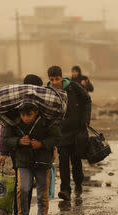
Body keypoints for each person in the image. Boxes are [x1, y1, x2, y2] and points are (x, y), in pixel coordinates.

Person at [3, 103, 61, 215]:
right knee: (22, 189)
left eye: (28, 115)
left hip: (42, 162)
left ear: (35, 112)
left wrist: (41, 144)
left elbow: (56, 138)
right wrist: (18, 141)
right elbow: (6, 139)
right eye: (22, 115)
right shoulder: (13, 122)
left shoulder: (47, 122)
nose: (25, 118)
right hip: (23, 161)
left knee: (42, 194)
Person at [0, 74, 43, 215]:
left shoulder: (38, 105)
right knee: (23, 184)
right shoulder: (16, 105)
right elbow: (6, 129)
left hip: (34, 151)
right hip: (17, 151)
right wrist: (4, 152)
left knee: (25, 184)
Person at [47, 66, 92, 201]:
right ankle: (65, 190)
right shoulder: (48, 91)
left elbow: (87, 100)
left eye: (57, 79)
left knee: (76, 160)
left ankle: (78, 183)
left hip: (77, 130)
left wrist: (85, 120)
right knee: (63, 162)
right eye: (52, 79)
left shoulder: (73, 87)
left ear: (62, 77)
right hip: (60, 133)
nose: (54, 82)